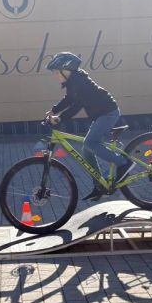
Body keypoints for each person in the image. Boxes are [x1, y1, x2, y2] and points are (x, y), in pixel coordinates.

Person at [45, 51, 133, 201]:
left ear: (66, 69)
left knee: (90, 143)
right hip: (100, 116)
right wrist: (54, 110)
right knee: (86, 150)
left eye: (56, 72)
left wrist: (60, 118)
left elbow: (77, 105)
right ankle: (99, 185)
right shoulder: (73, 81)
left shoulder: (79, 81)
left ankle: (123, 163)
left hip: (108, 113)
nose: (55, 75)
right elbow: (69, 99)